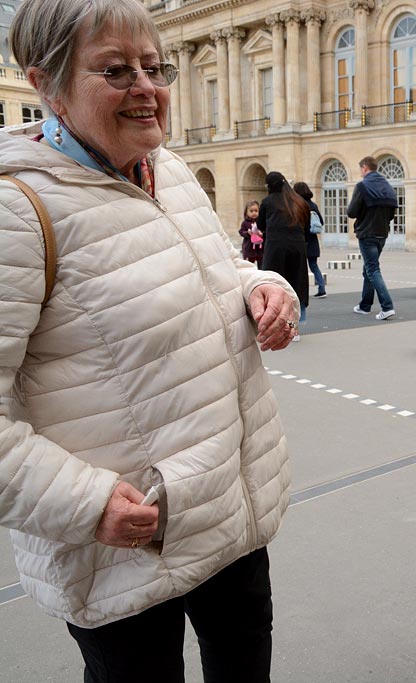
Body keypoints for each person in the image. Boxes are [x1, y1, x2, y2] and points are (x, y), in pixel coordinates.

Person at [0, 0, 297, 679]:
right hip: (121, 548)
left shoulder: (170, 170)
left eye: (153, 66)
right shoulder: (17, 211)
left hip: (227, 506)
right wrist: (84, 502)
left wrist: (264, 286)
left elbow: (218, 267)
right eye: (115, 70)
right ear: (45, 84)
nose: (146, 87)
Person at [259, 171, 310, 339]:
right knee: (297, 283)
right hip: (298, 246)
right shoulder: (298, 201)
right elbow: (307, 228)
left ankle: (278, 325)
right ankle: (295, 327)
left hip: (276, 247)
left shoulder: (268, 201)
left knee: (276, 284)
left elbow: (261, 225)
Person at [348, 155, 398, 320]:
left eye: (361, 170)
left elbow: (352, 212)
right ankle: (365, 305)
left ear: (364, 168)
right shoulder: (388, 187)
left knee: (372, 269)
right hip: (382, 233)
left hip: (366, 233)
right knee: (368, 268)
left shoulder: (362, 186)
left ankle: (387, 306)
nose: (361, 173)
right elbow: (392, 213)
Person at [294, 181, 327, 299]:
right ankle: (322, 288)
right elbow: (321, 222)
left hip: (302, 240)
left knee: (301, 268)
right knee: (314, 265)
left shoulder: (299, 205)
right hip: (313, 240)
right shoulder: (313, 205)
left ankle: (301, 291)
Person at [239, 199, 263, 267]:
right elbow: (241, 232)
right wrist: (247, 233)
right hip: (249, 248)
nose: (254, 213)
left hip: (260, 249)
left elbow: (265, 231)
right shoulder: (245, 223)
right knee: (250, 265)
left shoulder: (260, 222)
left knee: (261, 265)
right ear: (246, 212)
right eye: (251, 211)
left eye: (256, 211)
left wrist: (261, 233)